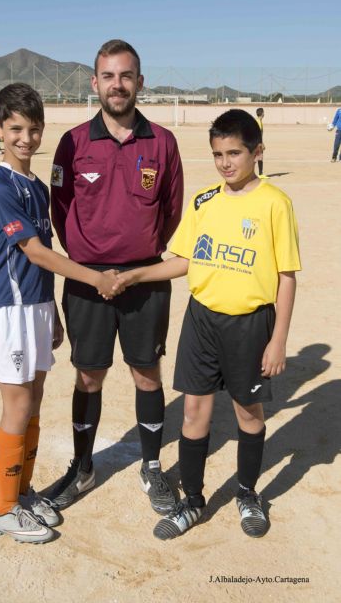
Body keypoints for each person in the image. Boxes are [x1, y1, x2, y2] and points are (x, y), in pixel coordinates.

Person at [113, 109, 301, 540]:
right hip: (201, 321)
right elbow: (183, 260)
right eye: (218, 154)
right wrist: (135, 274)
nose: (226, 163)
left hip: (250, 325)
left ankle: (248, 493)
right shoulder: (204, 201)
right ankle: (193, 501)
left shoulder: (275, 203)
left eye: (234, 153)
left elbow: (286, 276)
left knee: (247, 413)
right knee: (194, 413)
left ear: (257, 151)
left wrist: (278, 340)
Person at [48, 39, 184, 515]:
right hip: (86, 280)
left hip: (145, 280)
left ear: (140, 82)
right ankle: (82, 467)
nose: (118, 85)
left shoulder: (162, 142)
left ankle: (151, 468)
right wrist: (93, 265)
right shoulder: (73, 143)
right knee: (89, 374)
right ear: (95, 83)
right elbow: (59, 210)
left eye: (126, 76)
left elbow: (171, 212)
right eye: (108, 76)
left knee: (146, 372)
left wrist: (134, 262)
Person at [0, 82, 119, 544]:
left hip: (36, 308)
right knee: (17, 405)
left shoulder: (37, 187)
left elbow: (44, 258)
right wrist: (94, 277)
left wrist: (53, 313)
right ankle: (3, 508)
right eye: (16, 128)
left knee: (35, 401)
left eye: (34, 129)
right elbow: (36, 252)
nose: (26, 138)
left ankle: (21, 494)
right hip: (9, 310)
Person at [255, 107, 265, 176]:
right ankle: (260, 174)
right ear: (262, 113)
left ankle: (260, 173)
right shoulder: (258, 122)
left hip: (257, 141)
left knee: (259, 157)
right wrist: (261, 143)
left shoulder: (259, 121)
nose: (264, 114)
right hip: (257, 142)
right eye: (263, 112)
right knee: (259, 157)